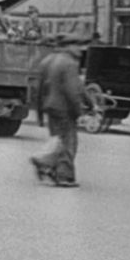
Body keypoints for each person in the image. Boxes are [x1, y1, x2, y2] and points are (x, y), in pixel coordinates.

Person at [30, 33, 95, 187]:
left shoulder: (47, 61)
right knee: (68, 142)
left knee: (58, 140)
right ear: (68, 46)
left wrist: (39, 112)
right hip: (64, 109)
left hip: (50, 107)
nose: (80, 49)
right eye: (77, 45)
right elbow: (73, 89)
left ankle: (50, 168)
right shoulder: (69, 63)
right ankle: (63, 175)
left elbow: (38, 89)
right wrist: (80, 111)